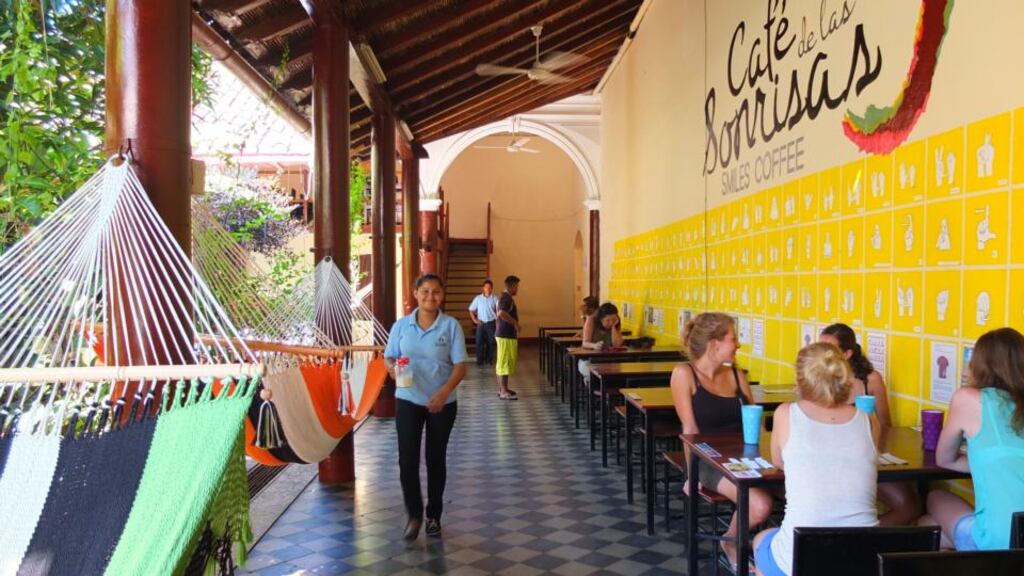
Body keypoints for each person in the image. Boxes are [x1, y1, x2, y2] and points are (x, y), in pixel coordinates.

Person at [753, 343, 880, 576]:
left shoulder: (785, 413)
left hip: (800, 556)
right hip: (864, 560)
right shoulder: (868, 420)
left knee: (761, 539)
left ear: (800, 380)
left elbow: (778, 462)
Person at [670, 312, 773, 569]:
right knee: (759, 505)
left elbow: (756, 422)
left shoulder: (737, 375)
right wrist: (691, 475)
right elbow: (690, 429)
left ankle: (784, 555)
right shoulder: (684, 374)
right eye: (733, 339)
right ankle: (730, 542)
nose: (738, 344)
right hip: (710, 460)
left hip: (746, 456)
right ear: (714, 344)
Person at [920, 327, 1024, 550]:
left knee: (933, 502)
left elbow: (944, 459)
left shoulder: (968, 398)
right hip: (1015, 540)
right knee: (933, 529)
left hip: (999, 544)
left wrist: (981, 461)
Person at [384, 274, 467, 541]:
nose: (431, 296)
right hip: (408, 398)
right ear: (416, 293)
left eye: (436, 292)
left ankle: (433, 516)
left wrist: (443, 393)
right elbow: (389, 356)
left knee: (435, 458)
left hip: (442, 403)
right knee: (407, 458)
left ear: (442, 295)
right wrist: (392, 369)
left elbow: (460, 366)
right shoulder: (401, 326)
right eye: (425, 291)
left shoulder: (450, 326)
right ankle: (414, 514)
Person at [819, 323, 917, 525]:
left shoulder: (870, 379)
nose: (822, 355)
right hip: (828, 459)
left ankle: (860, 535)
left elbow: (886, 424)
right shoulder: (817, 380)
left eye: (829, 350)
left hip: (865, 456)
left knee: (911, 506)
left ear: (847, 353)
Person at [578, 302, 626, 381]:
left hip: (608, 360)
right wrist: (594, 346)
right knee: (593, 373)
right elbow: (585, 343)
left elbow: (617, 344)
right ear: (600, 319)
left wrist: (613, 327)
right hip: (588, 359)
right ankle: (589, 383)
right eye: (607, 320)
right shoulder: (591, 320)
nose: (610, 322)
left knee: (618, 374)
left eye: (613, 320)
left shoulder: (615, 323)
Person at [495, 275, 521, 400]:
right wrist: (515, 323)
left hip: (504, 334)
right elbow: (501, 313)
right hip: (505, 335)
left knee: (503, 362)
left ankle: (502, 388)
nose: (517, 289)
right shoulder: (506, 298)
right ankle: (503, 391)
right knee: (504, 363)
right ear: (512, 286)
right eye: (517, 286)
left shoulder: (504, 297)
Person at [468, 279, 498, 366]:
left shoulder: (495, 298)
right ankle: (480, 361)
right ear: (483, 288)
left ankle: (489, 360)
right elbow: (471, 309)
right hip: (480, 323)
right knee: (479, 342)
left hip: (491, 323)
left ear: (492, 288)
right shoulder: (478, 298)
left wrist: (497, 321)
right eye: (486, 287)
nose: (487, 289)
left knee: (491, 342)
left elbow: (499, 311)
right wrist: (474, 320)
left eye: (489, 287)